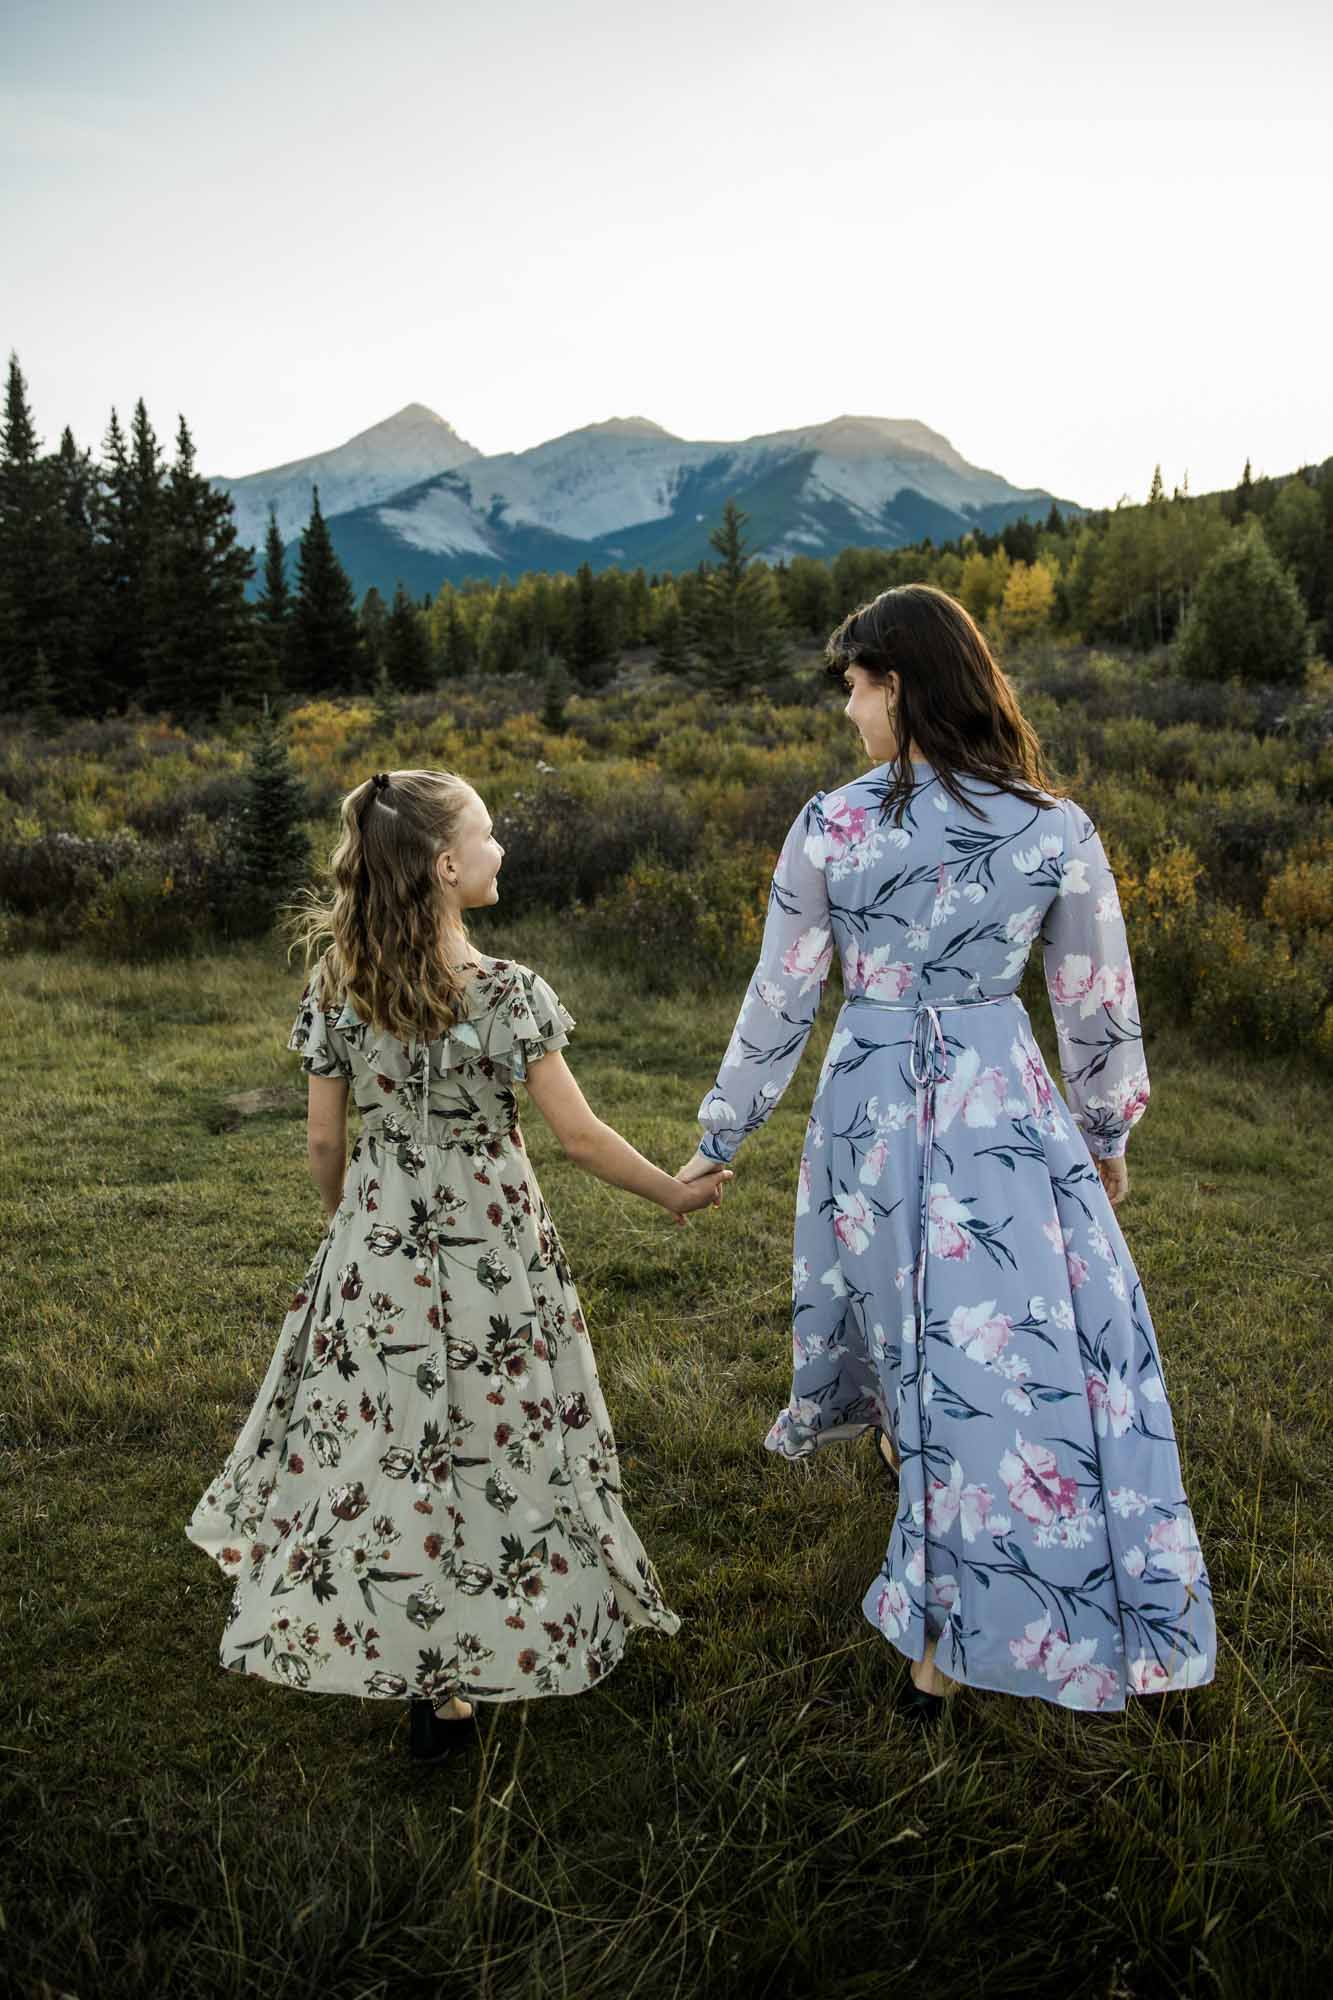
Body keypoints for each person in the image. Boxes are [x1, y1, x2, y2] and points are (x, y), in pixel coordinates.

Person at [676, 585, 1217, 1724]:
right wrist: (1103, 1128)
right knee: (986, 1348)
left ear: (902, 684)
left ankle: (943, 1627)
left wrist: (724, 1132)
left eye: (857, 688)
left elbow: (779, 998)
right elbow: (1093, 1001)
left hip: (869, 1103)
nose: (849, 714)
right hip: (997, 1104)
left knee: (925, 1347)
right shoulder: (1051, 826)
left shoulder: (831, 823)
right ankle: (951, 1578)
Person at [185, 768, 729, 1763]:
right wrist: (674, 1190)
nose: (501, 850)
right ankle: (465, 1662)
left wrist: (352, 1229)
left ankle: (418, 1666)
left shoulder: (337, 986)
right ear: (443, 866)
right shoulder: (508, 993)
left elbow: (320, 1142)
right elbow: (578, 1138)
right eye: (487, 836)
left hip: (376, 1240)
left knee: (389, 1446)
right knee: (492, 1432)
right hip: (494, 1250)